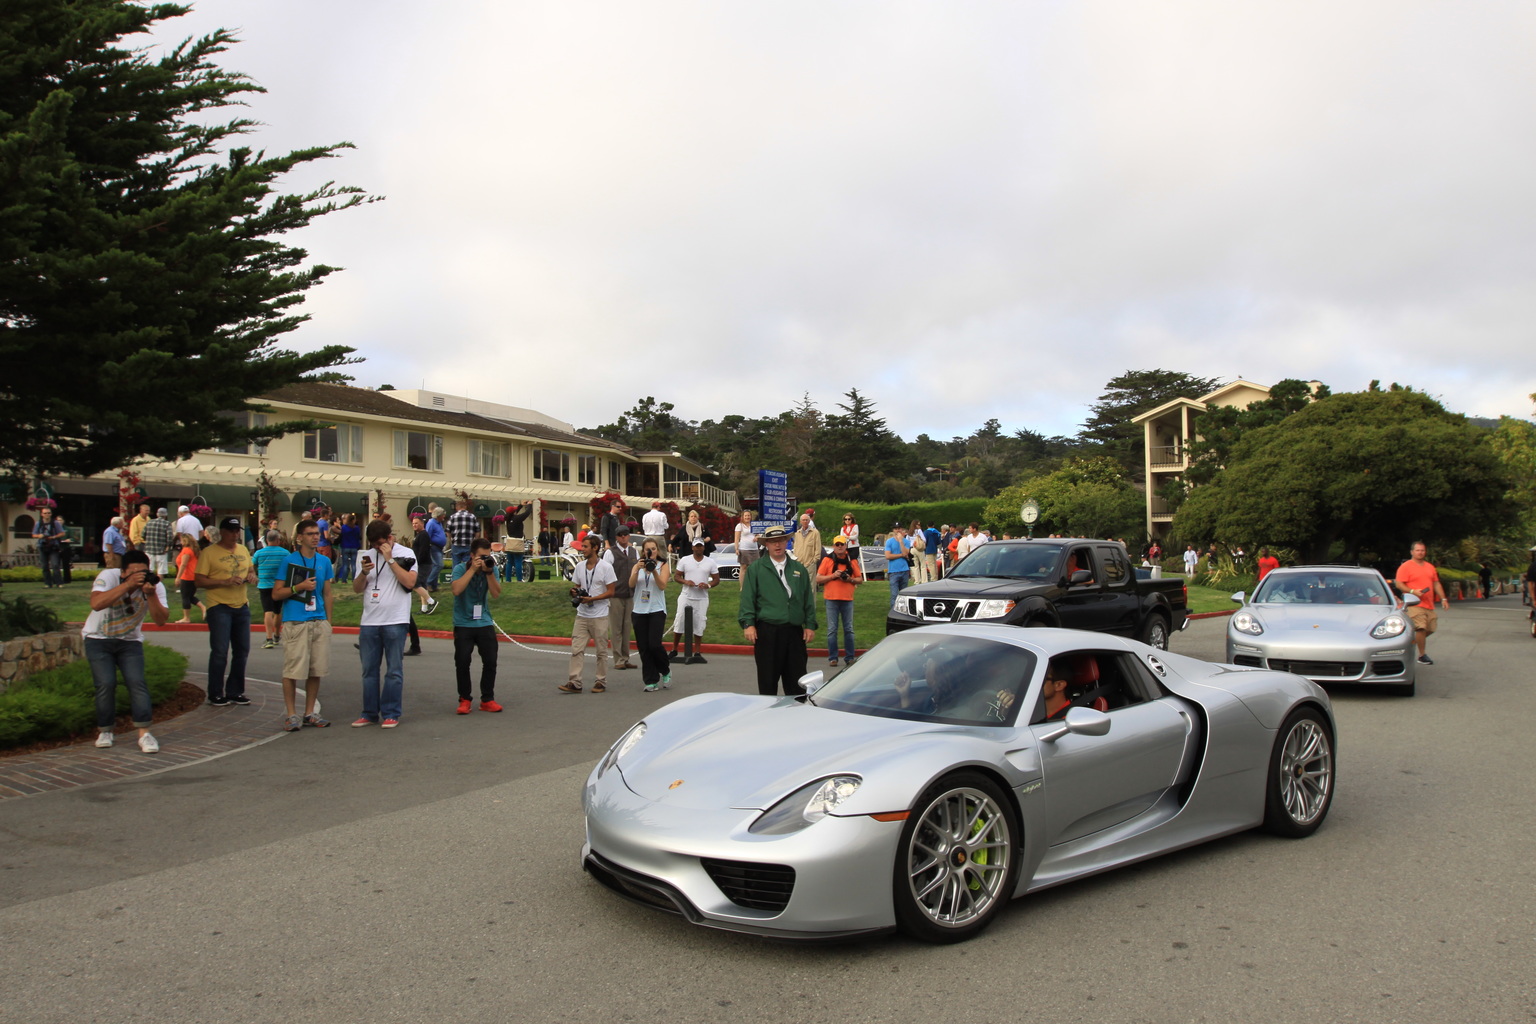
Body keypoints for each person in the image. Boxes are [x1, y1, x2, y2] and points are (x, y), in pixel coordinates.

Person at [83, 550, 169, 753]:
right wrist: (127, 586)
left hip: (129, 641)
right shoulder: (109, 576)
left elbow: (161, 620)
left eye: (144, 572)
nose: (140, 577)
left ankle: (144, 733)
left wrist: (150, 594)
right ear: (122, 572)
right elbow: (96, 603)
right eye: (134, 573)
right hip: (98, 638)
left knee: (136, 682)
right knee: (105, 683)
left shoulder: (154, 586)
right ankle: (105, 730)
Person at [351, 519, 418, 727]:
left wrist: (390, 560)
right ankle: (369, 712)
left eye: (380, 543)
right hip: (370, 621)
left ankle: (391, 713)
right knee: (369, 671)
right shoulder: (365, 556)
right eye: (373, 544)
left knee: (394, 670)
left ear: (390, 538)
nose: (376, 548)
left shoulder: (406, 553)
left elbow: (410, 582)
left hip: (395, 620)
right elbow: (356, 588)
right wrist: (363, 572)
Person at [739, 524, 818, 697]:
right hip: (767, 632)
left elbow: (808, 600)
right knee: (768, 682)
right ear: (766, 544)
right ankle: (768, 719)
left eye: (781, 540)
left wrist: (810, 624)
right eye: (773, 541)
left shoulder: (799, 569)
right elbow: (747, 599)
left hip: (794, 633)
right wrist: (748, 624)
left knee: (797, 683)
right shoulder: (756, 569)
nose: (777, 545)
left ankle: (795, 717)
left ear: (786, 542)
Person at [271, 519, 334, 731]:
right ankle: (291, 714)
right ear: (300, 538)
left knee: (316, 669)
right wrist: (299, 586)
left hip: (318, 621)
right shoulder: (289, 561)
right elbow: (276, 593)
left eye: (317, 533)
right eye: (310, 534)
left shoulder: (323, 561)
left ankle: (310, 712)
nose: (315, 537)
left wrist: (328, 622)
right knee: (293, 670)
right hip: (296, 622)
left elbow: (327, 593)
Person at [195, 516, 255, 706]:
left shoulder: (243, 549)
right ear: (221, 532)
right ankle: (215, 692)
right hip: (219, 605)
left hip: (241, 604)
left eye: (237, 531)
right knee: (220, 650)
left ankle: (235, 691)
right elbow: (199, 580)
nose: (235, 535)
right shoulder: (209, 553)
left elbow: (251, 569)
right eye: (231, 531)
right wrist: (224, 581)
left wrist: (252, 575)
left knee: (242, 650)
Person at [559, 534, 617, 694]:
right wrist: (574, 592)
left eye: (585, 547)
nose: (582, 549)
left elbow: (611, 591)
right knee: (576, 649)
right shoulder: (579, 566)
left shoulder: (606, 567)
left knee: (601, 651)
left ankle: (600, 681)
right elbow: (577, 587)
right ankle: (574, 682)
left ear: (595, 548)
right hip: (582, 615)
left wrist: (593, 598)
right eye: (582, 547)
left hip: (600, 614)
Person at [450, 537, 502, 713]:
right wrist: (472, 569)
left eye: (487, 555)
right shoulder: (459, 569)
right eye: (481, 556)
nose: (484, 559)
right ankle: (464, 698)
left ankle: (487, 698)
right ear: (472, 556)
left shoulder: (490, 569)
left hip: (484, 621)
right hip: (463, 622)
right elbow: (456, 590)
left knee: (490, 660)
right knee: (462, 661)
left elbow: (496, 594)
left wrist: (488, 573)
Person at [1395, 541, 1449, 666]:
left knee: (1431, 628)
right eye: (1418, 550)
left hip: (1428, 604)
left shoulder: (1430, 567)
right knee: (1421, 627)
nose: (1420, 553)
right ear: (1412, 552)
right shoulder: (1406, 567)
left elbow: (1436, 583)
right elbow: (1399, 584)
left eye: (1422, 550)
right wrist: (1413, 591)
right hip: (1413, 603)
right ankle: (1422, 655)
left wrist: (1443, 598)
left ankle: (1411, 641)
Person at [628, 538, 672, 691]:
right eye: (648, 549)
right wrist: (637, 569)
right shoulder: (638, 566)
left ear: (657, 551)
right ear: (643, 551)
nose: (651, 552)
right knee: (644, 647)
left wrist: (653, 571)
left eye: (653, 549)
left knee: (654, 644)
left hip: (656, 609)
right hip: (639, 610)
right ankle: (651, 680)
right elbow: (631, 584)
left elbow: (662, 586)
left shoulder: (663, 566)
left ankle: (665, 669)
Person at [817, 536, 863, 667]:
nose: (839, 547)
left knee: (849, 629)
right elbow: (818, 579)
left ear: (846, 545)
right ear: (833, 546)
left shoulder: (852, 561)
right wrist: (833, 576)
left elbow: (860, 579)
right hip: (831, 599)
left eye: (842, 544)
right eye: (837, 544)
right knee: (832, 629)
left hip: (847, 599)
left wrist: (849, 579)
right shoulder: (827, 560)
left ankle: (850, 657)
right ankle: (833, 657)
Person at [671, 536, 719, 655]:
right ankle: (675, 649)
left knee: (699, 623)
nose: (698, 549)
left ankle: (697, 651)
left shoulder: (710, 562)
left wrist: (707, 585)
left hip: (701, 597)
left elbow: (716, 579)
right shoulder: (685, 560)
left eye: (700, 546)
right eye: (696, 546)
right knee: (680, 620)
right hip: (686, 595)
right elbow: (676, 576)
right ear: (692, 547)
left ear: (703, 547)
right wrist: (686, 581)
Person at [604, 526, 637, 671]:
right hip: (616, 595)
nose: (623, 537)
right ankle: (618, 659)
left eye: (626, 535)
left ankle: (626, 657)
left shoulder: (634, 551)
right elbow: (605, 574)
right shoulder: (610, 553)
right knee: (616, 628)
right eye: (620, 535)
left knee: (626, 627)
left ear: (629, 536)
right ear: (617, 537)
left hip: (630, 594)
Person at [251, 528, 290, 650]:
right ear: (278, 540)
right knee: (278, 611)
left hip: (264, 585)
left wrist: (254, 575)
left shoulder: (259, 553)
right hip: (279, 585)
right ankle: (277, 634)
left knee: (267, 611)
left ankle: (269, 638)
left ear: (267, 540)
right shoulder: (285, 553)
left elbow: (252, 566)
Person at [408, 518, 439, 616]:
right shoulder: (419, 535)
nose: (414, 525)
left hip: (423, 564)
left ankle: (432, 602)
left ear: (422, 523)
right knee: (422, 585)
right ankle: (424, 608)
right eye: (413, 523)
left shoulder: (424, 535)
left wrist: (416, 562)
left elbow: (423, 551)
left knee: (415, 583)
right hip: (422, 563)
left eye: (417, 523)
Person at [172, 532, 204, 623]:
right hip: (193, 576)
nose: (180, 542)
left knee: (185, 597)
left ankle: (186, 617)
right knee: (190, 596)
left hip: (186, 576)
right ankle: (203, 608)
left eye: (181, 540)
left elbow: (183, 565)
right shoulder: (194, 550)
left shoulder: (186, 550)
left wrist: (178, 577)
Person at [32, 506, 66, 588]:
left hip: (53, 546)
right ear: (42, 514)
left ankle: (59, 582)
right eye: (45, 513)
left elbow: (62, 533)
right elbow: (33, 534)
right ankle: (48, 583)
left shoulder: (55, 523)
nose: (47, 515)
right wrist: (39, 536)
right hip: (42, 545)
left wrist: (53, 537)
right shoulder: (38, 523)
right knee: (44, 565)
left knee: (55, 565)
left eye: (48, 513)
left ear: (51, 514)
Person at [502, 501, 533, 581]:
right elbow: (527, 513)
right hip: (518, 543)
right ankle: (519, 579)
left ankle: (508, 580)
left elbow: (513, 512)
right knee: (518, 562)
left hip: (509, 543)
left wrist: (520, 505)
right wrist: (529, 505)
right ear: (514, 512)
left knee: (509, 562)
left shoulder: (507, 519)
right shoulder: (517, 519)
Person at [884, 524, 912, 607]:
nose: (897, 531)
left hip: (904, 570)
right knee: (894, 594)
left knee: (904, 594)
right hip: (893, 571)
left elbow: (906, 553)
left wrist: (900, 541)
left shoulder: (906, 541)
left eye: (899, 528)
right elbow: (888, 556)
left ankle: (903, 610)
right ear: (893, 530)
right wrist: (901, 555)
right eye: (895, 529)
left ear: (902, 530)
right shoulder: (889, 542)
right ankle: (894, 611)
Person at [448, 497, 479, 569]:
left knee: (456, 566)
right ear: (465, 507)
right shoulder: (472, 517)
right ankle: (468, 579)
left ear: (456, 507)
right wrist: (474, 542)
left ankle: (456, 579)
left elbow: (448, 531)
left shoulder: (452, 517)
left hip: (456, 544)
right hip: (468, 544)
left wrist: (451, 541)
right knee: (468, 566)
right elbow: (477, 531)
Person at [734, 510, 760, 588]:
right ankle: (742, 587)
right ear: (742, 517)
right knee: (744, 567)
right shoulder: (740, 526)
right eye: (746, 516)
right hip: (744, 549)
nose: (747, 517)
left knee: (755, 568)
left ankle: (753, 586)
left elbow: (759, 534)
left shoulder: (754, 525)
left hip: (754, 549)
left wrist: (757, 537)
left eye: (748, 515)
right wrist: (736, 549)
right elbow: (737, 538)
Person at [424, 508, 448, 590]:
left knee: (435, 565)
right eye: (443, 514)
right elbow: (427, 536)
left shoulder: (439, 523)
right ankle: (428, 582)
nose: (444, 516)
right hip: (434, 547)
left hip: (439, 547)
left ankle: (434, 586)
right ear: (439, 515)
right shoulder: (431, 523)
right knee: (439, 565)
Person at [793, 511, 822, 576]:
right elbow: (795, 547)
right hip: (798, 563)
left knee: (811, 584)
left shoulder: (815, 533)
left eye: (806, 520)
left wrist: (814, 560)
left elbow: (818, 547)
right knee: (798, 582)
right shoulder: (797, 533)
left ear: (809, 521)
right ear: (800, 522)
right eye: (803, 520)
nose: (805, 521)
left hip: (810, 563)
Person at [337, 513, 362, 583]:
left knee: (345, 564)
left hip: (345, 546)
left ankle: (344, 579)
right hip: (354, 547)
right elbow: (359, 537)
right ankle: (354, 579)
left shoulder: (344, 527)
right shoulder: (356, 528)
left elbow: (342, 536)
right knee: (353, 564)